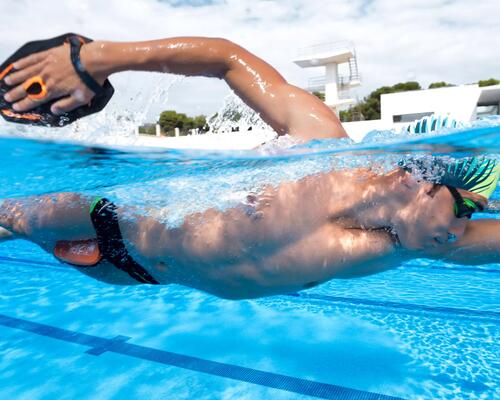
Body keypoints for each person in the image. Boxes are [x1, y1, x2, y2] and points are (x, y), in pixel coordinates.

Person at [0, 36, 499, 299]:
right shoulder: (319, 142)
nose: (458, 230)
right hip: (98, 219)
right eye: (464, 208)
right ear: (415, 176)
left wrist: (454, 230)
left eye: (469, 219)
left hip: (134, 274)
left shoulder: (410, 246)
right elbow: (230, 59)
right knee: (8, 219)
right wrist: (96, 57)